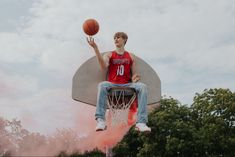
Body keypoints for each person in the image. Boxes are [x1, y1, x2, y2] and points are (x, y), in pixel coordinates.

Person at [87, 32, 151, 132]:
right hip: (112, 85)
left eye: (118, 37)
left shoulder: (131, 56)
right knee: (102, 85)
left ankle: (141, 122)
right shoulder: (110, 54)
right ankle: (101, 120)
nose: (116, 39)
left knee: (142, 86)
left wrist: (135, 78)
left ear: (125, 40)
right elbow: (103, 66)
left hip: (127, 86)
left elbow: (134, 74)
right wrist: (95, 48)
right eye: (115, 38)